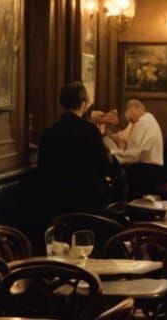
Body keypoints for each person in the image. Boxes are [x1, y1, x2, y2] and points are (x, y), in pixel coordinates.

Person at [38, 81, 115, 219]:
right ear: (84, 104)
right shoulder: (90, 130)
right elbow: (104, 165)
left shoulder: (49, 132)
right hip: (89, 202)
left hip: (57, 203)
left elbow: (43, 168)